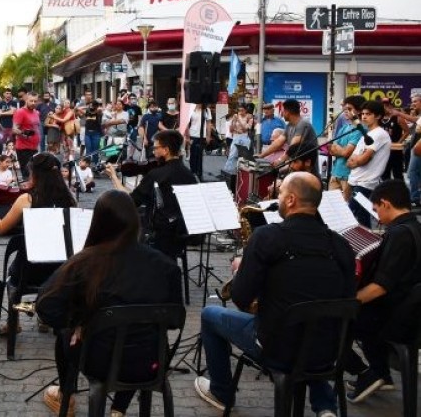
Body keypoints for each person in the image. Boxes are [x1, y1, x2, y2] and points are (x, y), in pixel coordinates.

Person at [194, 172, 355, 416]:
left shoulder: (267, 237)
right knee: (310, 329)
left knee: (209, 314)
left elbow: (240, 298)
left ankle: (221, 391)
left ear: (291, 200)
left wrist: (242, 270)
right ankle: (325, 407)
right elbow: (347, 299)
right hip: (329, 351)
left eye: (279, 193)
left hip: (277, 348)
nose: (277, 198)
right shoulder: (340, 244)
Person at [36, 190, 183, 416]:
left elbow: (46, 306)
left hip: (99, 362)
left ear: (99, 223)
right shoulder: (165, 265)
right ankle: (118, 409)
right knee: (136, 338)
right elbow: (175, 320)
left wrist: (77, 322)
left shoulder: (86, 261)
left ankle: (66, 396)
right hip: (151, 362)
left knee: (66, 335)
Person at [0, 152, 77, 334]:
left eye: (30, 173)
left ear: (36, 175)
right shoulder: (70, 200)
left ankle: (13, 323)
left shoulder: (27, 200)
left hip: (29, 272)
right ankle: (45, 315)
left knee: (13, 275)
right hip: (61, 272)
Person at [345, 180, 421, 402]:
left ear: (386, 203)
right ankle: (382, 374)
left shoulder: (399, 236)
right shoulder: (414, 228)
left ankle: (370, 373)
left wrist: (348, 301)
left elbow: (380, 287)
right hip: (409, 310)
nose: (377, 216)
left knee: (334, 320)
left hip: (399, 318)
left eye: (376, 209)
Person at [106, 130, 197, 259]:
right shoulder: (189, 175)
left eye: (155, 148)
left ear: (166, 150)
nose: (153, 151)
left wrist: (114, 177)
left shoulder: (157, 175)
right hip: (181, 235)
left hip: (158, 237)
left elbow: (130, 200)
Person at [348, 100, 391, 227]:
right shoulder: (365, 135)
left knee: (352, 217)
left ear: (378, 116)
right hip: (356, 181)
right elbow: (350, 161)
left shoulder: (379, 134)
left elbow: (362, 160)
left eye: (368, 114)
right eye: (362, 114)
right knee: (362, 221)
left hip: (366, 184)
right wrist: (356, 160)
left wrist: (357, 160)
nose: (364, 117)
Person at [329, 96, 364, 201]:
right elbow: (331, 148)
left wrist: (339, 150)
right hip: (335, 173)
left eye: (349, 109)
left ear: (359, 110)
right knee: (332, 208)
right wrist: (341, 150)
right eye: (345, 108)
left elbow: (346, 153)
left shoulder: (360, 130)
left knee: (346, 210)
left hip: (348, 176)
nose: (345, 111)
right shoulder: (345, 127)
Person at [13, 91, 41, 179]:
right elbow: (14, 129)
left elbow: (36, 129)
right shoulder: (20, 112)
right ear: (26, 100)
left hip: (34, 148)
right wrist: (24, 133)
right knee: (27, 176)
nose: (33, 103)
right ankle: (26, 192)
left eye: (35, 101)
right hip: (24, 149)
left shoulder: (36, 112)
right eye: (31, 101)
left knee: (34, 175)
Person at [222, 104, 253, 176]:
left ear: (245, 110)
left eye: (242, 110)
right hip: (236, 136)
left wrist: (238, 120)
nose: (240, 112)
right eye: (239, 110)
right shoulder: (235, 117)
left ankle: (244, 174)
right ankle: (227, 172)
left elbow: (245, 129)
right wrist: (233, 121)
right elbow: (231, 130)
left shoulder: (249, 118)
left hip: (245, 137)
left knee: (245, 157)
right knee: (232, 155)